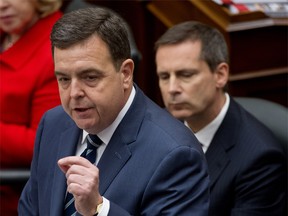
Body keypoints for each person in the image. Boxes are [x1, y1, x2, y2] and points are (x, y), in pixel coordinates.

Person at [18, 7, 210, 216]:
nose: (74, 93)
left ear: (126, 73)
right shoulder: (53, 123)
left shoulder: (175, 154)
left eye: (90, 77)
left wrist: (98, 209)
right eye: (64, 79)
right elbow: (30, 208)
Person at [154, 21, 286, 216]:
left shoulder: (259, 160)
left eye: (186, 75)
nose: (172, 88)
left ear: (220, 75)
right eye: (164, 76)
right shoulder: (158, 124)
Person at [0, 0, 62, 215]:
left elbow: (47, 141)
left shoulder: (58, 47)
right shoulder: (6, 33)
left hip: (18, 199)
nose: (1, 5)